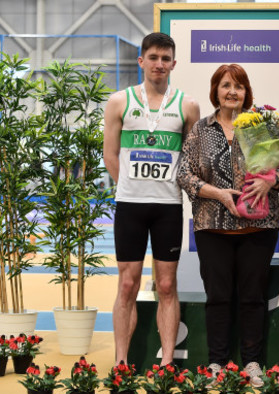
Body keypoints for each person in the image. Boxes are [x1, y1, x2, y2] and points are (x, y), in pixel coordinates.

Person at [177, 64, 279, 387]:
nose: (232, 92)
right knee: (218, 296)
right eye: (226, 85)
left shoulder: (263, 127)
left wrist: (271, 182)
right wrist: (219, 195)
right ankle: (216, 364)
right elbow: (185, 175)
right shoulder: (200, 130)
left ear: (246, 92)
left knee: (253, 297)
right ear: (216, 91)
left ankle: (252, 363)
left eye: (239, 86)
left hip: (259, 227)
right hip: (212, 226)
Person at [103, 32, 200, 366]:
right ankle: (121, 362)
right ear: (141, 60)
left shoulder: (187, 105)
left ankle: (167, 363)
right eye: (154, 57)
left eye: (166, 58)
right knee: (127, 284)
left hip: (168, 208)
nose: (160, 64)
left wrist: (163, 189)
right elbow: (110, 155)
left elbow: (190, 160)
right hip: (130, 206)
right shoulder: (119, 102)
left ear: (174, 63)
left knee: (168, 284)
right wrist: (130, 187)